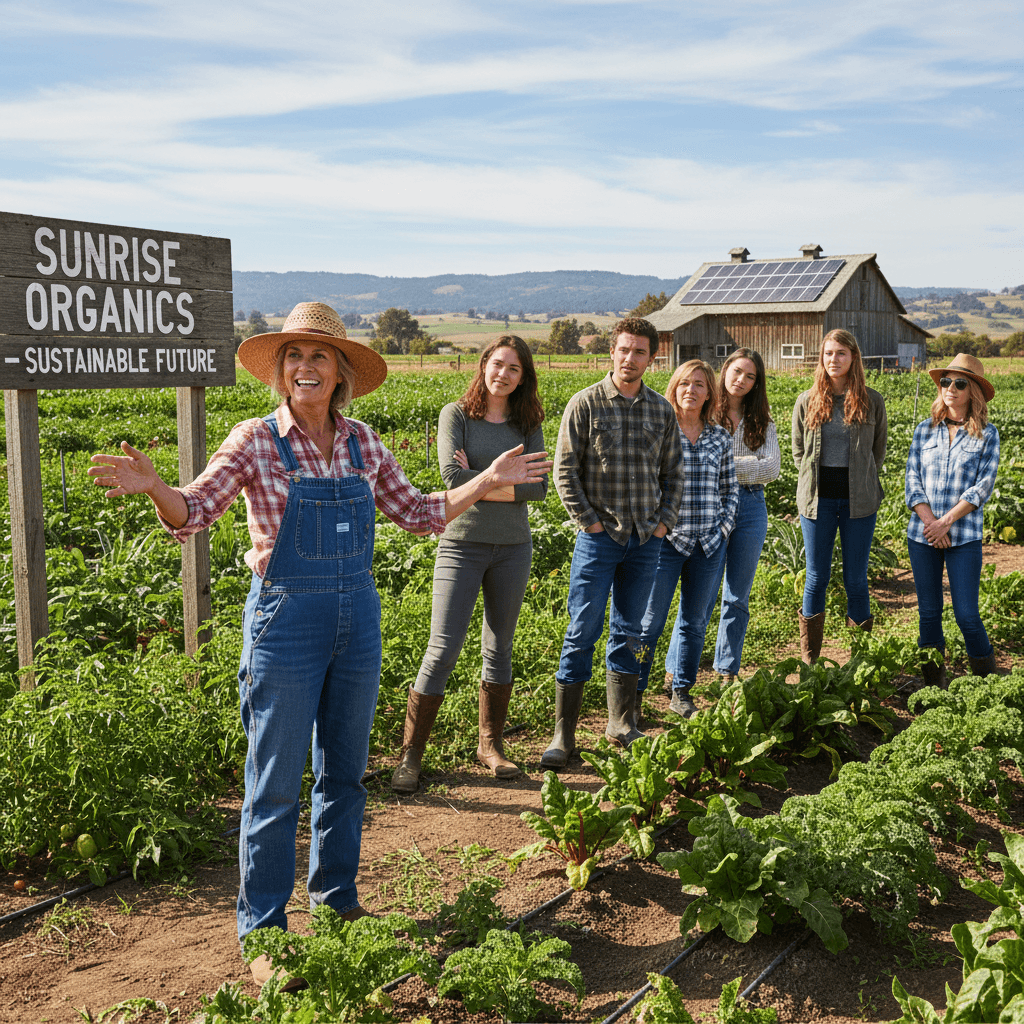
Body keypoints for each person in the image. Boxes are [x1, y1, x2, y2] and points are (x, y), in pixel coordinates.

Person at [88, 302, 551, 987]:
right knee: (274, 786)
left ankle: (336, 902)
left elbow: (418, 513)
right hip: (285, 623)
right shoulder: (254, 440)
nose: (306, 367)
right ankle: (265, 934)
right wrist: (157, 487)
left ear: (340, 374)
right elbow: (197, 510)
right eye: (295, 357)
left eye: (319, 356)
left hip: (356, 619)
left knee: (344, 776)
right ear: (282, 372)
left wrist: (484, 481)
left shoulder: (363, 442)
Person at [392, 336, 548, 792]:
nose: (503, 374)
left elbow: (538, 488)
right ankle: (410, 756)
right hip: (461, 544)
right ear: (483, 365)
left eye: (514, 368)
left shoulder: (528, 422)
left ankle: (490, 746)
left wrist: (480, 481)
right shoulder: (456, 415)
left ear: (523, 377)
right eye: (497, 364)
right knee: (442, 648)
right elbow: (450, 478)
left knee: (499, 648)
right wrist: (501, 478)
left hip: (513, 547)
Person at [541, 317, 683, 768]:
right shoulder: (584, 404)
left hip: (645, 540)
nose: (630, 358)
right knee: (581, 630)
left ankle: (621, 722)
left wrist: (662, 525)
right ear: (612, 352)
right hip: (598, 540)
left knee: (630, 630)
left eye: (639, 352)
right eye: (624, 349)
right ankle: (564, 735)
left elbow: (674, 475)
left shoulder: (661, 411)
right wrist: (591, 524)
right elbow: (565, 472)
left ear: (652, 358)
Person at [636, 360, 738, 718]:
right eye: (684, 383)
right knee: (649, 624)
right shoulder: (660, 432)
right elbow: (644, 486)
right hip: (665, 544)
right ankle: (634, 695)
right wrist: (657, 528)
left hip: (707, 545)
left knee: (694, 624)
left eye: (699, 384)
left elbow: (730, 490)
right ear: (674, 388)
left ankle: (681, 693)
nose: (690, 390)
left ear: (709, 393)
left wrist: (722, 530)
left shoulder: (720, 437)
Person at [791, 329, 887, 664]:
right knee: (816, 577)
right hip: (817, 501)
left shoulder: (872, 400)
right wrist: (812, 482)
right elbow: (799, 451)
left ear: (853, 357)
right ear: (822, 357)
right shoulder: (807, 400)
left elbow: (878, 452)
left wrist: (861, 480)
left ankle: (859, 664)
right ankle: (810, 662)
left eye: (841, 353)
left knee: (856, 579)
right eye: (829, 353)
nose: (834, 359)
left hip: (859, 502)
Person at [906, 353, 1000, 686]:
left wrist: (945, 521)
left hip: (964, 536)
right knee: (929, 614)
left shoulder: (987, 434)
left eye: (960, 383)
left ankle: (988, 686)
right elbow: (912, 480)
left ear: (973, 391)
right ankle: (933, 689)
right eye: (946, 381)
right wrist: (931, 522)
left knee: (967, 615)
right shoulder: (924, 430)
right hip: (923, 535)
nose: (951, 388)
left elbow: (982, 486)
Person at [703, 348, 780, 683]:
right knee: (702, 593)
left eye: (750, 376)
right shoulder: (705, 413)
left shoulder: (762, 421)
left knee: (737, 596)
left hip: (750, 506)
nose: (741, 380)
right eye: (737, 372)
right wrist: (751, 464)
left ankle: (727, 671)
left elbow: (772, 469)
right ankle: (678, 669)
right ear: (725, 371)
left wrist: (722, 467)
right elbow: (694, 462)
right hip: (709, 505)